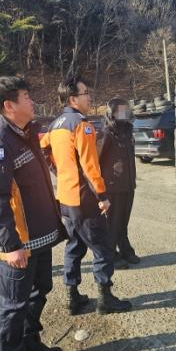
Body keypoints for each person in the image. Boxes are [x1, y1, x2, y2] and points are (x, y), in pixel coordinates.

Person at [0, 76, 65, 351]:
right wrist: (10, 245)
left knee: (40, 290)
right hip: (19, 242)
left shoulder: (26, 135)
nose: (32, 101)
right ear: (9, 105)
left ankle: (30, 343)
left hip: (39, 237)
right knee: (14, 303)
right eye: (26, 96)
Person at [40, 76, 132, 315]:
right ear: (73, 99)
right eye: (85, 93)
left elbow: (44, 148)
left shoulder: (55, 124)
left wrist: (59, 171)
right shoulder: (82, 125)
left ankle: (72, 297)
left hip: (65, 197)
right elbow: (91, 166)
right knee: (103, 248)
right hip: (84, 198)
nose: (90, 97)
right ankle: (105, 299)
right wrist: (102, 195)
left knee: (75, 245)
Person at [98, 97, 140, 270]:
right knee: (113, 223)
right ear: (112, 113)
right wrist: (100, 189)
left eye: (126, 109)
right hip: (113, 186)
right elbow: (96, 161)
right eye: (121, 110)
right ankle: (110, 254)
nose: (125, 112)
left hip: (128, 184)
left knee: (123, 221)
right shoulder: (106, 133)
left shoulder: (128, 131)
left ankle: (125, 249)